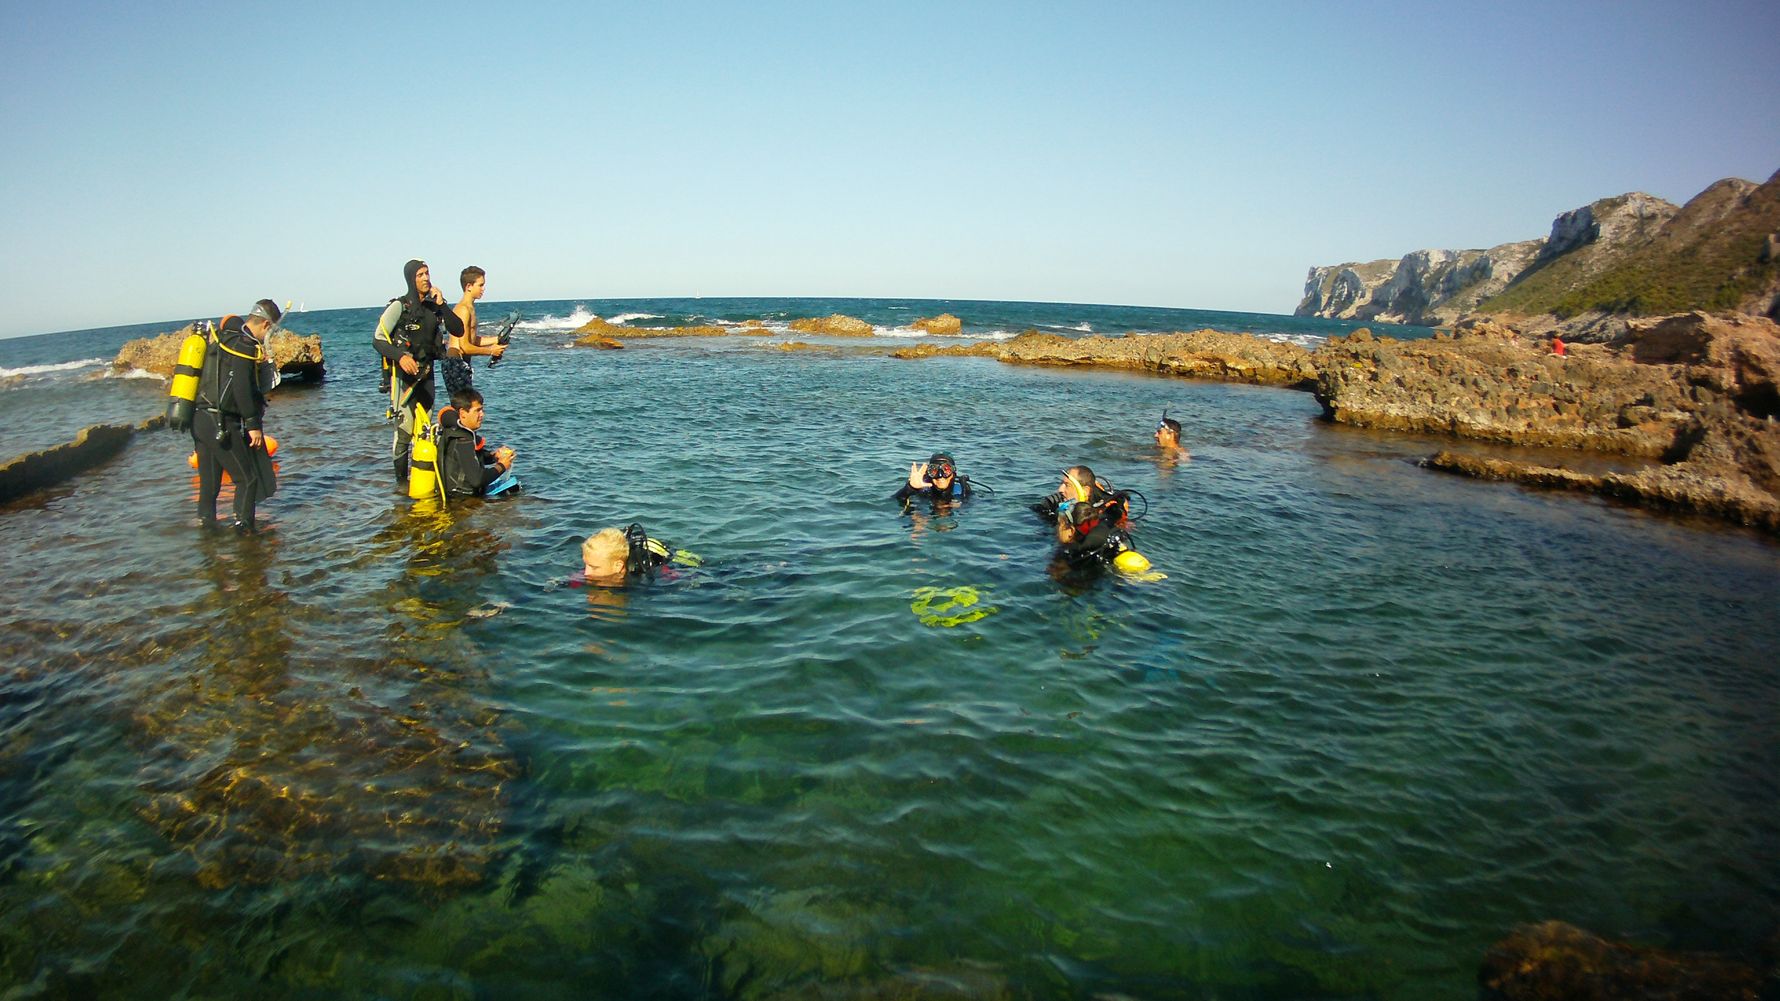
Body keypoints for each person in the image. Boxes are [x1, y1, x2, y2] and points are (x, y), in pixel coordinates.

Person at [192, 299, 282, 532]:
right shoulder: (244, 345)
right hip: (221, 422)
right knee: (247, 479)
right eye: (271, 329)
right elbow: (241, 387)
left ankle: (207, 535)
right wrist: (253, 424)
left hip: (200, 419)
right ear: (264, 324)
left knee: (210, 485)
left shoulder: (222, 342)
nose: (270, 335)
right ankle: (245, 534)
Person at [373, 260, 465, 486]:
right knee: (404, 432)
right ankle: (401, 486)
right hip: (403, 380)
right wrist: (401, 357)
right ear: (411, 279)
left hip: (426, 377)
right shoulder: (399, 307)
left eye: (427, 273)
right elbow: (377, 339)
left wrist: (442, 305)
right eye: (420, 275)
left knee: (424, 432)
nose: (426, 278)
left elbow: (458, 329)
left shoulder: (434, 308)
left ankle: (421, 483)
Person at [1033, 465, 1133, 561]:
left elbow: (1101, 533)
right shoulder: (1062, 503)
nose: (1060, 490)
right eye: (1062, 483)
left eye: (1067, 485)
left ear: (1085, 491)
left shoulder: (1107, 512)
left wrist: (1067, 552)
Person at [437, 388, 516, 499]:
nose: (482, 414)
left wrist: (494, 456)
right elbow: (477, 480)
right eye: (477, 410)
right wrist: (502, 466)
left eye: (482, 410)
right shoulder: (462, 439)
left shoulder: (455, 431)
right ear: (463, 413)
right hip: (461, 502)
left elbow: (471, 459)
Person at [443, 265, 506, 396]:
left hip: (461, 364)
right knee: (465, 408)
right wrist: (491, 351)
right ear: (469, 287)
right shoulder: (463, 310)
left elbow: (472, 339)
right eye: (480, 285)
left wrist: (497, 339)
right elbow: (465, 346)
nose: (483, 289)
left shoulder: (470, 308)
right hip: (455, 362)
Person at [574, 524, 679, 587]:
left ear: (618, 566)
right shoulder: (596, 563)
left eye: (594, 567)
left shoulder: (647, 575)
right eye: (586, 564)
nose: (586, 573)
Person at [894, 452, 972, 505]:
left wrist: (965, 498)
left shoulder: (960, 491)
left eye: (946, 469)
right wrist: (909, 488)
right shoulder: (924, 491)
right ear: (929, 473)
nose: (940, 475)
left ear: (954, 474)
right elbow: (895, 501)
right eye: (934, 470)